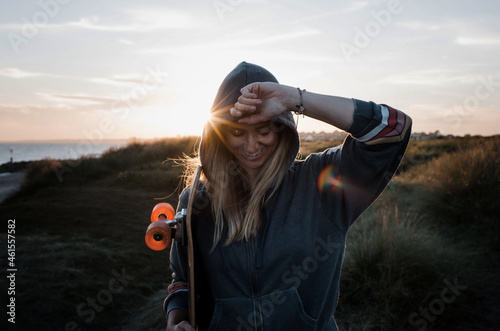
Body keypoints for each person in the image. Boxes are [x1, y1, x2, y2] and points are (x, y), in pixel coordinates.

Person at [164, 62, 412, 331]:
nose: (251, 145)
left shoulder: (320, 182)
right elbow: (183, 278)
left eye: (263, 131)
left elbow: (393, 128)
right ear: (218, 135)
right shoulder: (197, 200)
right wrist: (176, 318)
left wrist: (295, 99)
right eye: (237, 133)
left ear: (281, 130)